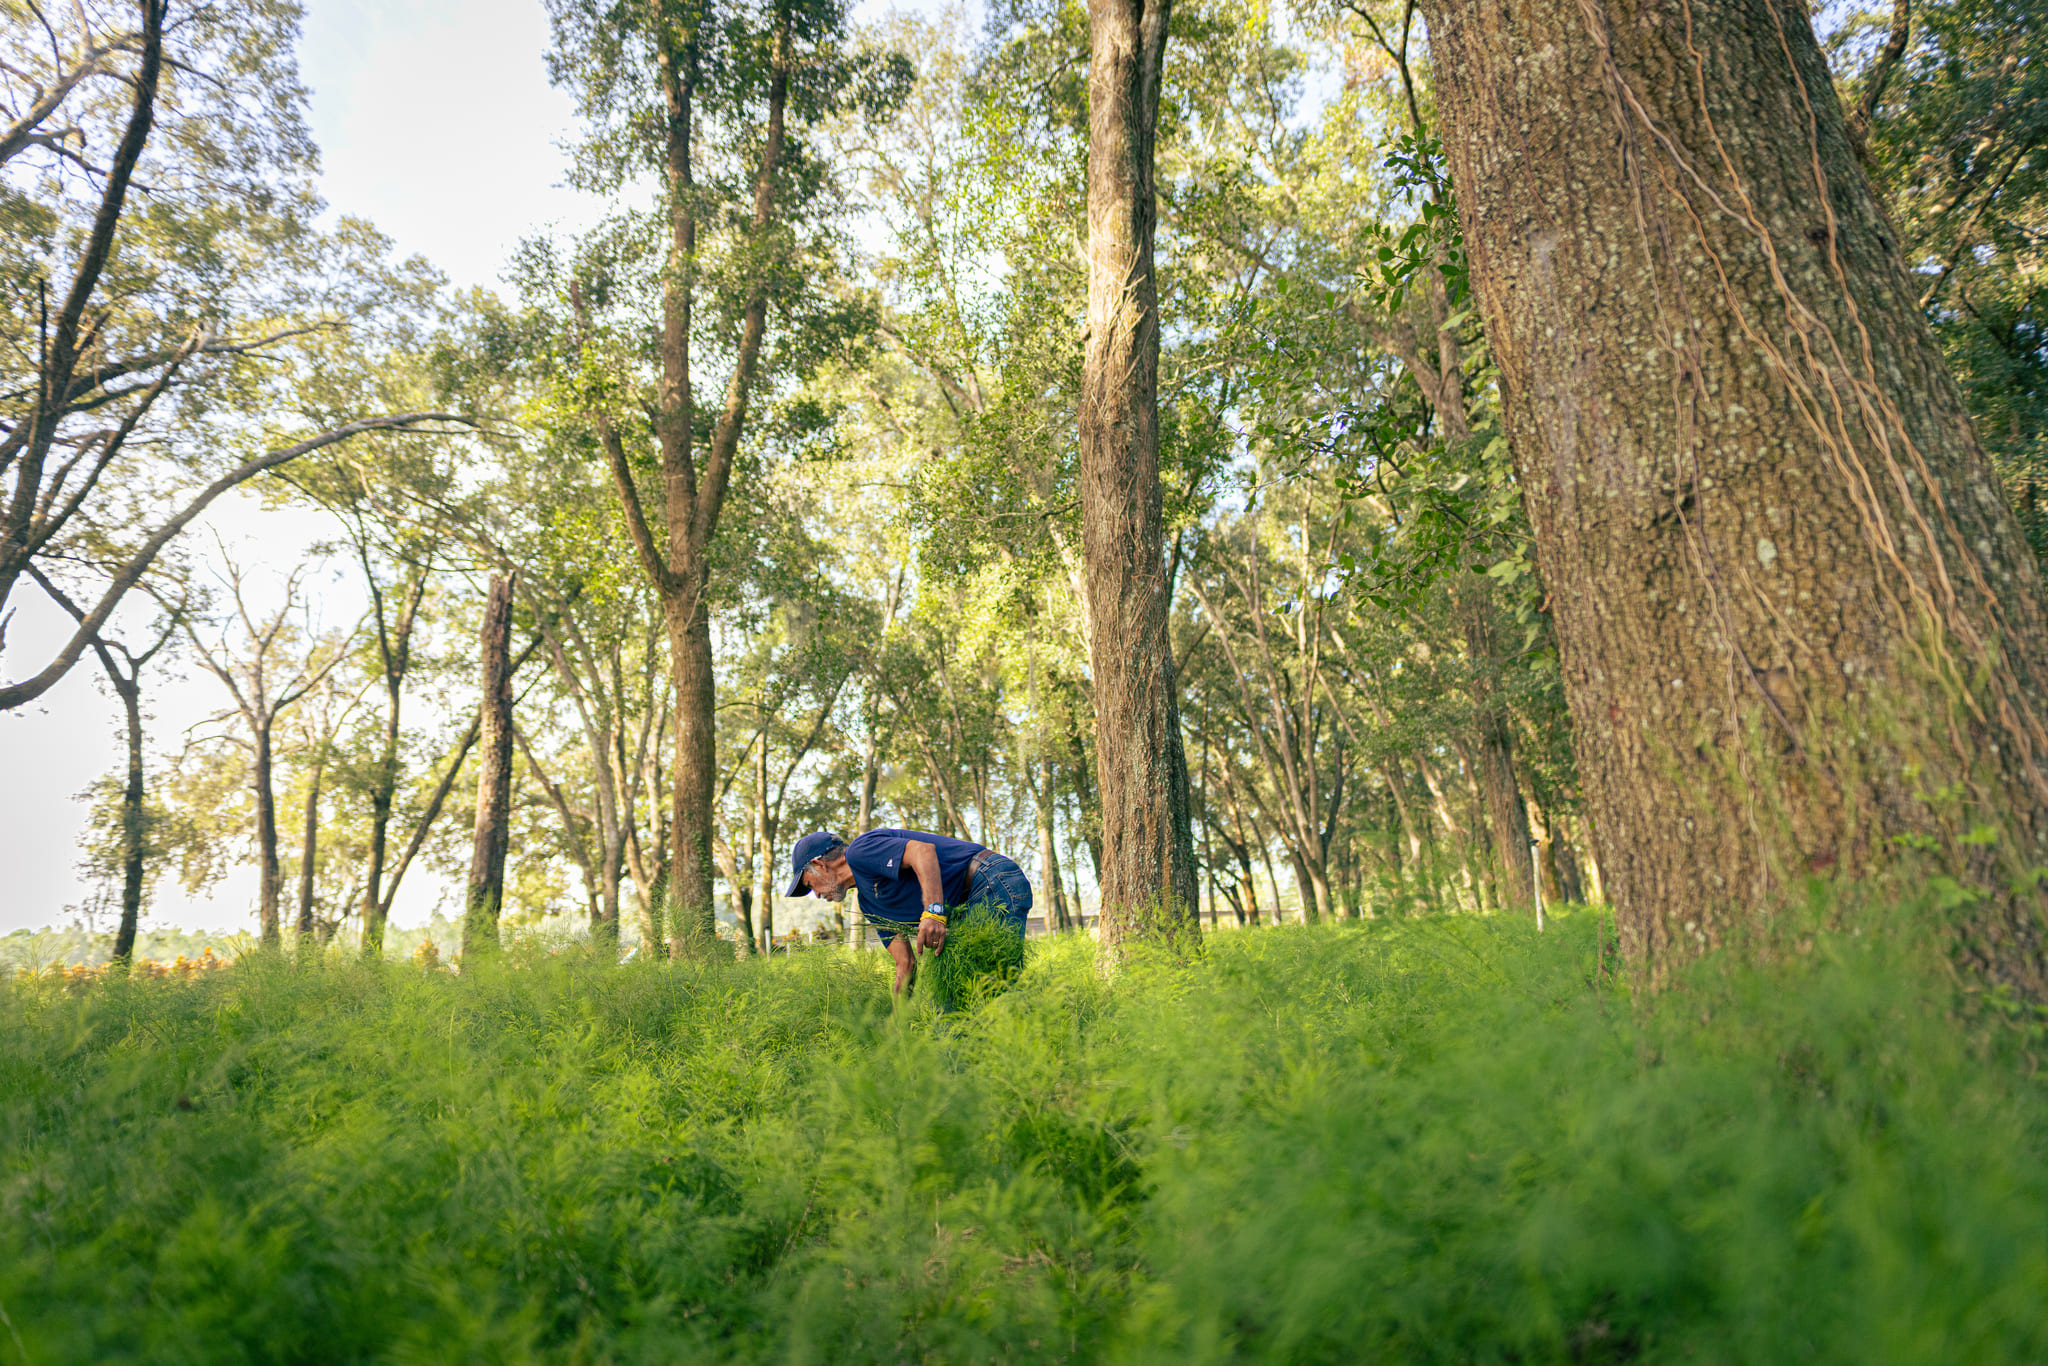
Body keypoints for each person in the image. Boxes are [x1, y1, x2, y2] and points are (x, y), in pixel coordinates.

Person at [786, 827, 1033, 994]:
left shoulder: (860, 851)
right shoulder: (869, 905)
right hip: (969, 906)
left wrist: (933, 912)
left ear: (818, 864)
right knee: (958, 997)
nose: (817, 895)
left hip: (990, 880)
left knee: (995, 986)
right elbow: (905, 964)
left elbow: (922, 852)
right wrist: (898, 1020)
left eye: (810, 885)